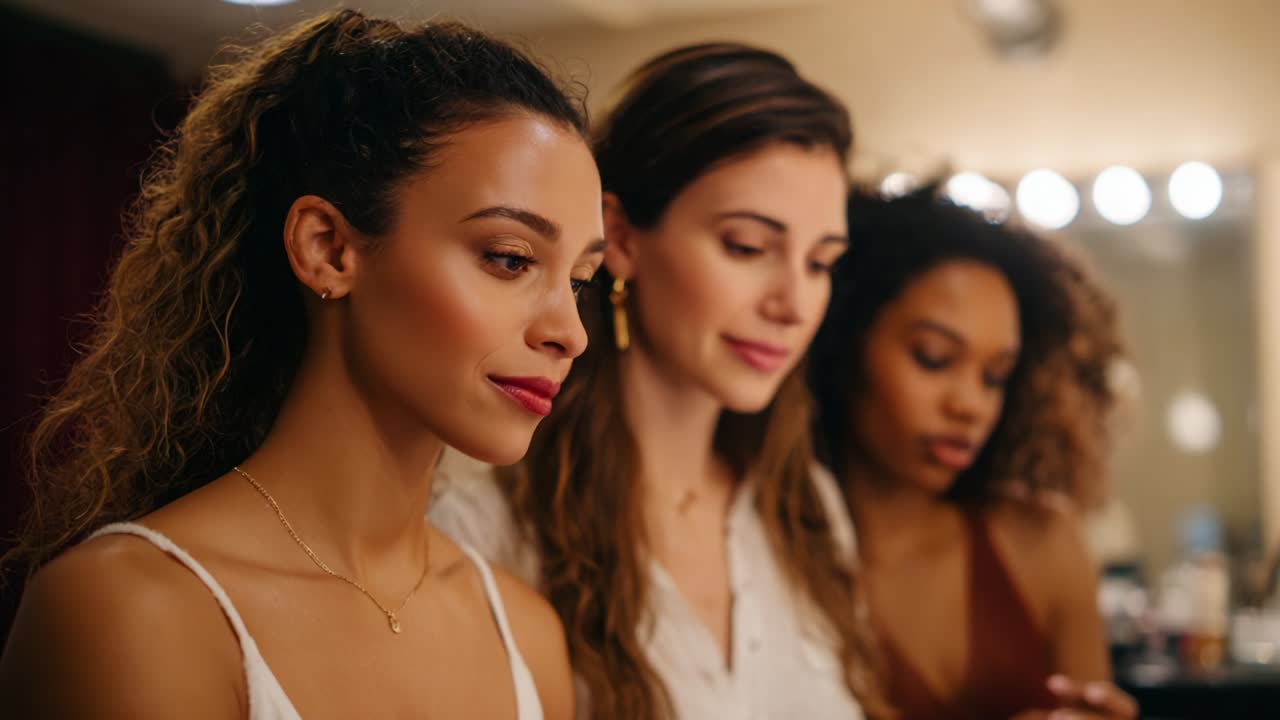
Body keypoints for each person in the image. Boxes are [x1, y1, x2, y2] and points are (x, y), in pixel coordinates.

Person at [0, 10, 604, 719]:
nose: (569, 333)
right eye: (510, 259)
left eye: (581, 281)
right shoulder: (134, 611)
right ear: (329, 249)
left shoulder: (527, 633)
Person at [431, 43, 886, 719]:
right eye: (748, 247)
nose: (793, 303)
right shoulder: (486, 528)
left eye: (820, 263)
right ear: (621, 236)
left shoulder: (806, 509)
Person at [809, 186, 1137, 720]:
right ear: (842, 343)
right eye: (934, 359)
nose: (971, 406)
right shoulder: (773, 562)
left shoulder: (1044, 547)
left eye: (995, 377)